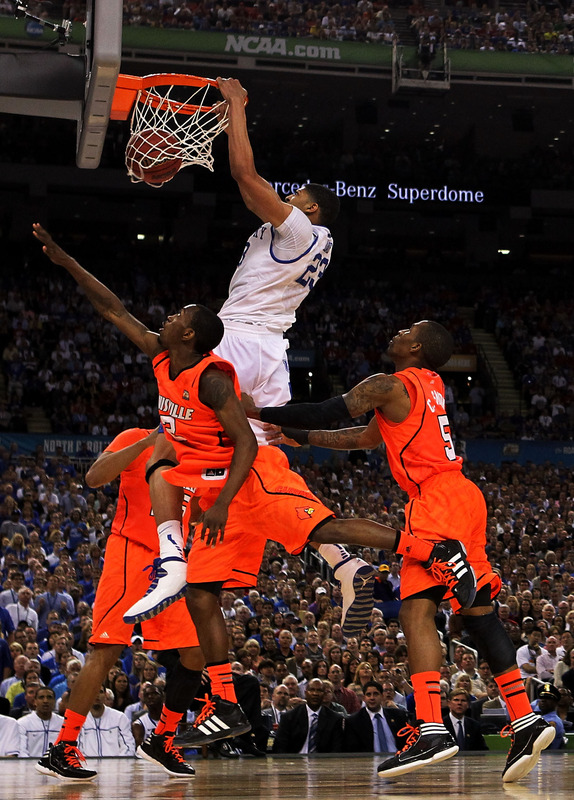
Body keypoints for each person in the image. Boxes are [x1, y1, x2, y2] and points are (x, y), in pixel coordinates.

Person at [33, 225, 474, 754]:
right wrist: (66, 262)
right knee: (198, 587)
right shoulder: (161, 359)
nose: (167, 319)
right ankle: (222, 704)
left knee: (299, 519)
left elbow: (247, 440)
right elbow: (114, 310)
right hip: (208, 482)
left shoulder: (216, 379)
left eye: (177, 317)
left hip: (238, 474)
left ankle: (409, 553)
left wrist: (226, 488)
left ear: (192, 336)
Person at [123, 76, 378, 642]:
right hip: (271, 349)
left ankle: (170, 556)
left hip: (241, 339)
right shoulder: (306, 241)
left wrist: (235, 107)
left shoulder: (302, 231)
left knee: (181, 437)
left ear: (308, 206)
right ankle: (341, 561)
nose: (283, 202)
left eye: (292, 198)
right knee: (263, 458)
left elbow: (244, 176)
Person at [247, 319, 554, 782]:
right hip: (465, 496)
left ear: (414, 345)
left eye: (406, 330)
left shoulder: (386, 383)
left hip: (434, 501)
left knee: (415, 615)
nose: (396, 333)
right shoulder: (428, 386)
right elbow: (363, 438)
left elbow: (333, 409)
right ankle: (525, 720)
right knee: (481, 614)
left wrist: (267, 411)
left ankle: (431, 727)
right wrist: (303, 440)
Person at [35, 427, 203, 781]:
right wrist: (147, 442)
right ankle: (62, 747)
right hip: (130, 550)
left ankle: (162, 740)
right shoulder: (138, 436)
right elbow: (94, 477)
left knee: (194, 653)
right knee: (107, 649)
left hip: (171, 562)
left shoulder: (198, 452)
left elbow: (196, 513)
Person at [273, 678, 343, 753]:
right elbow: (280, 747)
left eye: (319, 690)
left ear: (324, 694)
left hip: (323, 762)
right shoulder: (289, 717)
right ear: (305, 693)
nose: (315, 694)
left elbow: (336, 749)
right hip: (295, 761)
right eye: (312, 690)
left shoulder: (334, 719)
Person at [343, 680, 408, 753]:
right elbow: (352, 750)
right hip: (368, 762)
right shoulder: (354, 721)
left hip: (397, 759)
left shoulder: (397, 715)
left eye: (376, 694)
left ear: (382, 696)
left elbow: (406, 742)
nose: (372, 698)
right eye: (368, 695)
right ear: (364, 698)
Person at [76, 686, 136, 758]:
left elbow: (129, 746)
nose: (97, 695)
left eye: (100, 692)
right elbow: (77, 749)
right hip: (87, 766)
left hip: (117, 767)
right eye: (93, 692)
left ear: (105, 695)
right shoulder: (78, 720)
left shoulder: (120, 718)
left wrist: (119, 764)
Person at [17, 686, 63, 757]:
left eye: (49, 697)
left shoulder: (63, 723)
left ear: (54, 701)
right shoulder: (22, 723)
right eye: (41, 697)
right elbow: (21, 751)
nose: (45, 701)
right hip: (29, 765)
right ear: (35, 701)